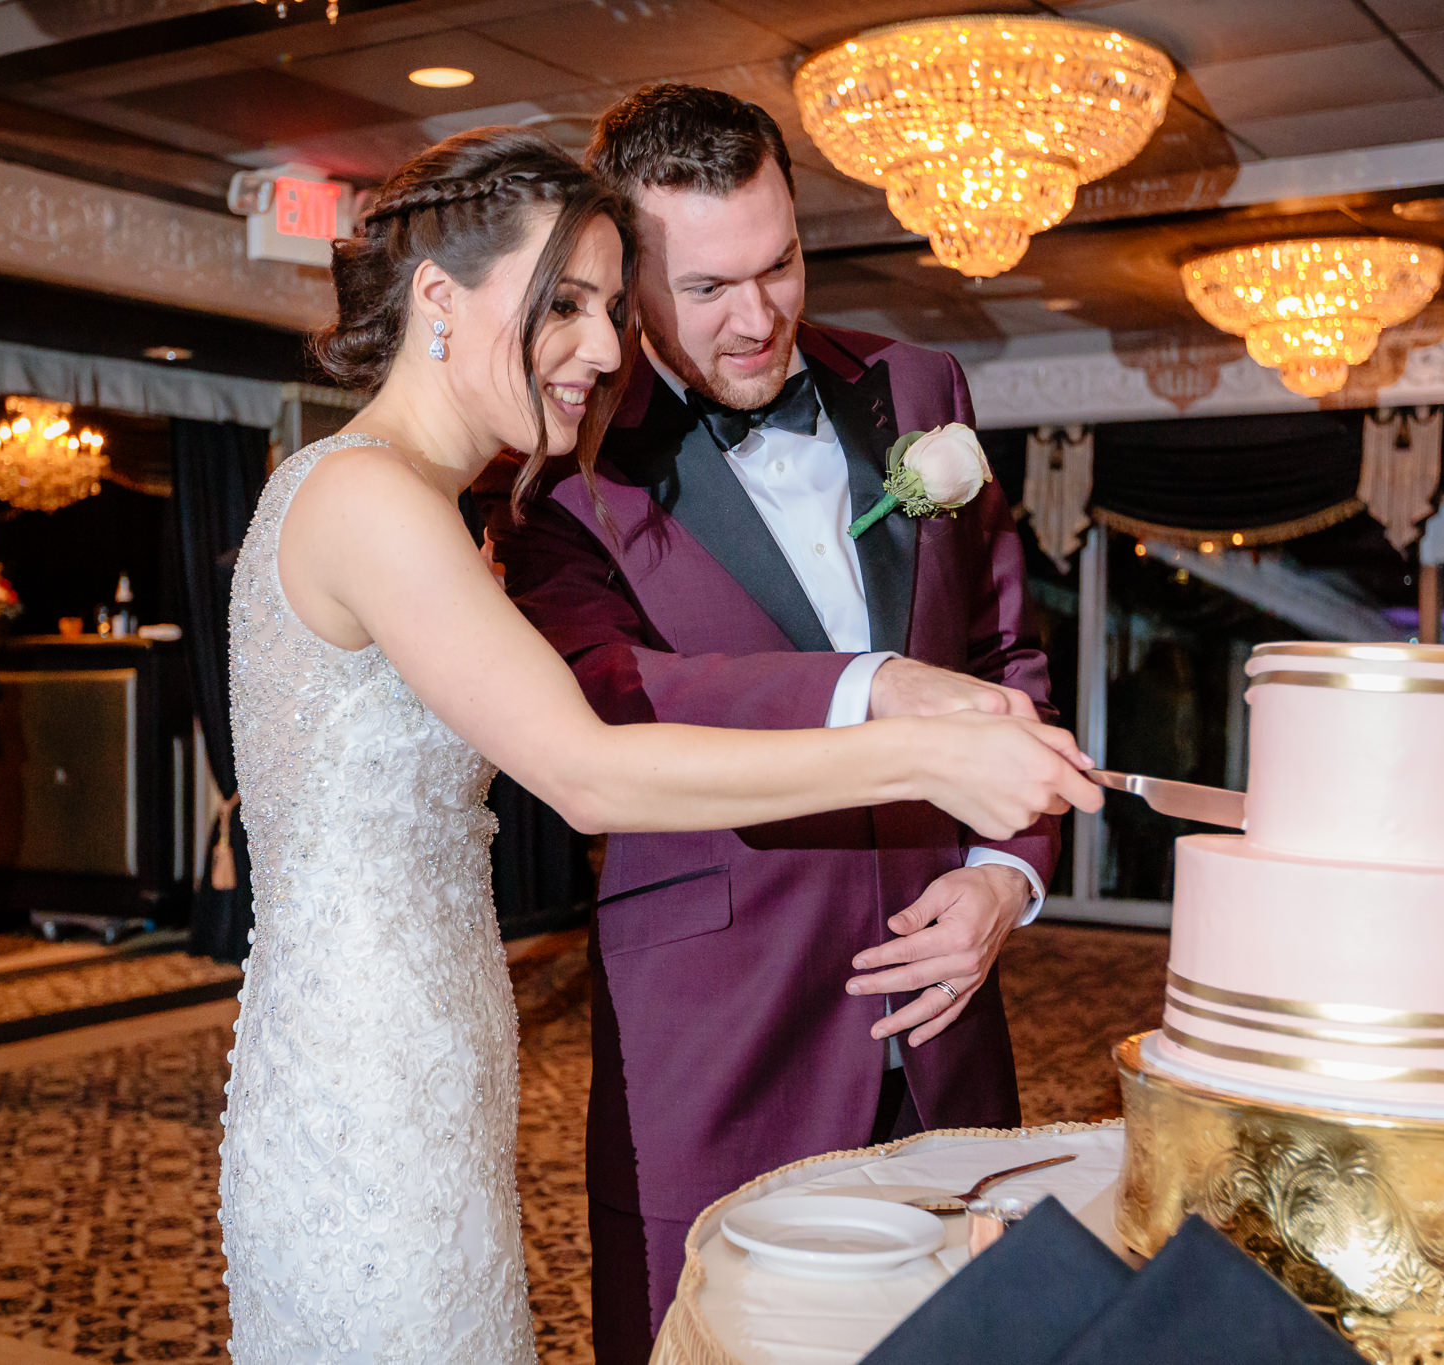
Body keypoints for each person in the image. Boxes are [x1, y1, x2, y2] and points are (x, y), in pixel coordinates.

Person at [219, 127, 1101, 1364]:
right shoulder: (390, 498)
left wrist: (998, 858)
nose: (597, 346)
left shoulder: (436, 494)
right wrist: (906, 738)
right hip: (379, 1069)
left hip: (436, 1036)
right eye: (569, 304)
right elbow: (588, 762)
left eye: (598, 303)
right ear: (438, 298)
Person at [484, 85, 1068, 1360]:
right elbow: (607, 692)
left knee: (966, 1331)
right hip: (718, 1027)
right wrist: (873, 688)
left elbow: (1003, 656)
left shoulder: (919, 386)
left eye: (782, 264)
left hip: (942, 1017)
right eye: (705, 290)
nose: (758, 319)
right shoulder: (555, 455)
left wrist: (998, 886)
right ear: (619, 276)